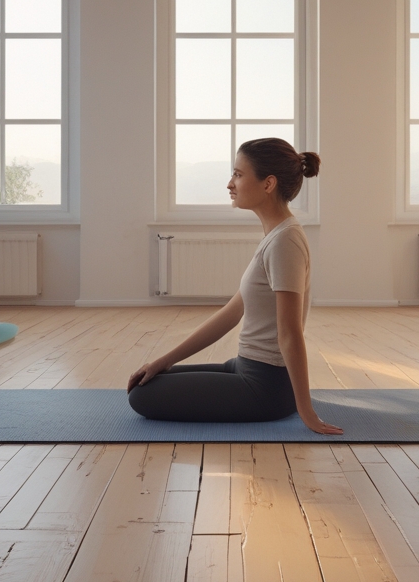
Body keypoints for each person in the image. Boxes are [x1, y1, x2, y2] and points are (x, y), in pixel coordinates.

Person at [127, 138, 343, 435]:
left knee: (142, 396)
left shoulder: (285, 242)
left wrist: (306, 412)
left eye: (239, 175)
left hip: (265, 387)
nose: (231, 183)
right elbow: (231, 313)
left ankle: (291, 403)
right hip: (245, 367)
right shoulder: (275, 236)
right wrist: (163, 360)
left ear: (268, 184)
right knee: (148, 380)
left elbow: (290, 334)